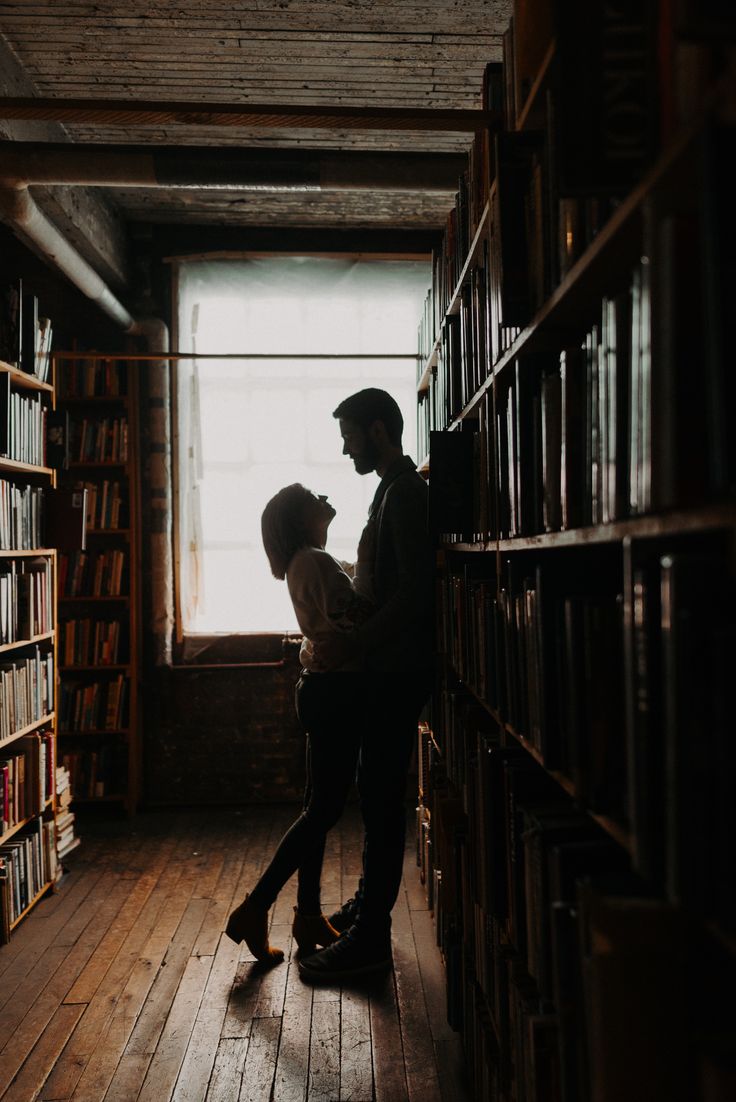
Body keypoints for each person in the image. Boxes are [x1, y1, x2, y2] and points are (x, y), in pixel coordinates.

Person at [297, 388, 435, 983]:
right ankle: (367, 908)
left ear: (378, 431)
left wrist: (356, 641)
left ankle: (371, 936)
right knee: (372, 793)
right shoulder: (390, 490)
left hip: (396, 668)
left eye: (350, 434)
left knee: (380, 799)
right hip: (388, 665)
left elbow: (416, 594)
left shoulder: (404, 494)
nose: (345, 446)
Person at [225, 483, 372, 964]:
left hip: (326, 690)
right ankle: (255, 906)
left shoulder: (309, 561)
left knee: (317, 807)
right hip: (337, 694)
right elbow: (358, 618)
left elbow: (333, 621)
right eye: (313, 495)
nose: (325, 496)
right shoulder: (313, 560)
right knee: (323, 812)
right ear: (299, 518)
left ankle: (308, 914)